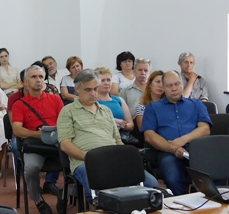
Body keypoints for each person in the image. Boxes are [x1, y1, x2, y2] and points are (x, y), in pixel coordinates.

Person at [58, 70, 159, 204]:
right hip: (86, 162)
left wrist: (126, 160)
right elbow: (65, 144)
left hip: (113, 159)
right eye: (88, 89)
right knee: (103, 195)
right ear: (77, 89)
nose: (93, 93)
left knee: (151, 184)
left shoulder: (106, 111)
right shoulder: (68, 111)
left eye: (95, 89)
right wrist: (90, 158)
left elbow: (118, 141)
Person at [141, 70, 212, 195]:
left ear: (182, 84)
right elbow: (149, 136)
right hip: (168, 153)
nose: (174, 88)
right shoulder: (153, 108)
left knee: (213, 172)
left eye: (177, 84)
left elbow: (205, 129)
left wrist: (183, 139)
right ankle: (183, 202)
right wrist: (173, 148)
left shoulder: (196, 104)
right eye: (169, 86)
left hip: (196, 150)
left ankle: (206, 203)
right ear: (163, 87)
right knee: (173, 177)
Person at [11, 64, 64, 214]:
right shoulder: (19, 104)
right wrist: (38, 135)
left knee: (77, 163)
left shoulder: (55, 99)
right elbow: (17, 130)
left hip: (56, 143)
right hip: (36, 146)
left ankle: (65, 195)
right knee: (30, 169)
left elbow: (65, 122)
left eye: (41, 76)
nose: (38, 80)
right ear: (26, 82)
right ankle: (38, 199)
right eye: (34, 77)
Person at [95, 67, 137, 144]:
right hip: (101, 138)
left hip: (122, 136)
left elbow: (131, 124)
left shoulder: (119, 100)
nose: (106, 83)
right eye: (102, 80)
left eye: (108, 80)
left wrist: (123, 126)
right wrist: (113, 123)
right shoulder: (92, 102)